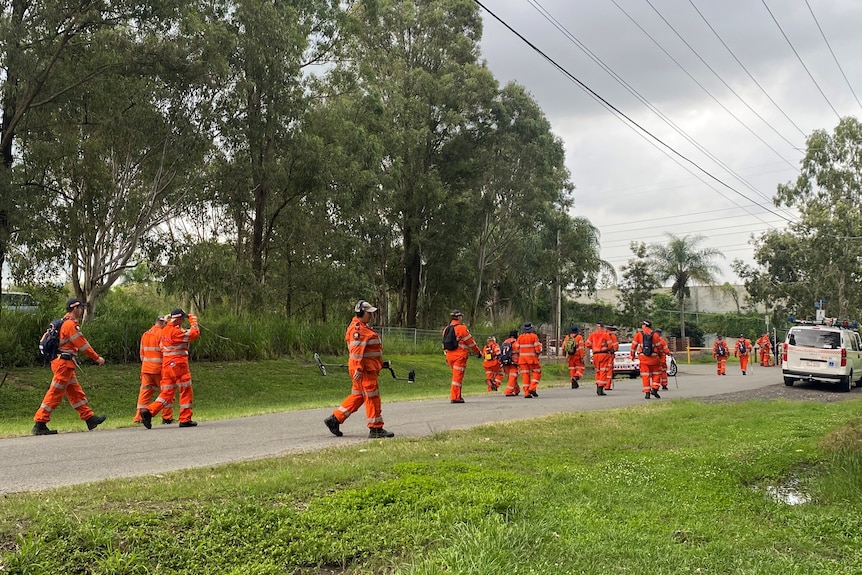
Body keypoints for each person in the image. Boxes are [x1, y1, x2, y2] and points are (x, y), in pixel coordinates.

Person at [32, 298, 107, 435]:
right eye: (81, 308)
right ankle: (40, 423)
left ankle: (89, 418)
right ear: (75, 308)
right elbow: (82, 345)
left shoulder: (63, 323)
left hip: (63, 363)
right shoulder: (70, 325)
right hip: (63, 364)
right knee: (54, 393)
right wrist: (97, 358)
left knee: (75, 392)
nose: (82, 310)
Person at [324, 300, 394, 438]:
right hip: (364, 371)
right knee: (372, 397)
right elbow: (356, 351)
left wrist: (379, 363)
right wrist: (358, 368)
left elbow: (367, 351)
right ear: (361, 312)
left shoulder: (361, 327)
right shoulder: (358, 330)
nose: (371, 316)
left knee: (358, 396)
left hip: (366, 369)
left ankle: (335, 419)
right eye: (369, 313)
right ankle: (375, 428)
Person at [139, 308, 200, 429]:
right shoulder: (175, 332)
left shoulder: (164, 331)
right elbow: (194, 334)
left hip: (166, 366)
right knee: (186, 390)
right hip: (179, 365)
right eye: (182, 318)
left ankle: (149, 411)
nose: (183, 320)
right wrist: (194, 322)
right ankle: (185, 419)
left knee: (166, 393)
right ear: (178, 319)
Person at [133, 315, 173, 425]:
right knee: (166, 393)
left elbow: (141, 354)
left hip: (146, 369)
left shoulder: (145, 334)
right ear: (164, 324)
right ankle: (167, 417)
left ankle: (138, 417)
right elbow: (165, 352)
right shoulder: (162, 334)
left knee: (144, 394)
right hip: (159, 370)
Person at [443, 309, 482, 403]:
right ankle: (455, 397)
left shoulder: (446, 329)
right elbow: (470, 342)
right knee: (457, 378)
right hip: (459, 357)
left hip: (449, 356)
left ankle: (458, 395)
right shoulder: (461, 328)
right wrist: (478, 352)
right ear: (459, 317)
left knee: (457, 376)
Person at [631, 319, 667, 399]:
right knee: (657, 374)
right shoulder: (655, 335)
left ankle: (647, 393)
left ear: (644, 325)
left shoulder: (639, 334)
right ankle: (654, 388)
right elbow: (660, 347)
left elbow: (633, 347)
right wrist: (661, 355)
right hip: (654, 359)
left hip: (643, 358)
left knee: (645, 376)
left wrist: (632, 355)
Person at [586, 322, 614, 395]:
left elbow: (587, 344)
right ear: (603, 327)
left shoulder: (592, 335)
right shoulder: (606, 335)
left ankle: (598, 385)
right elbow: (610, 346)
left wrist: (594, 347)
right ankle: (600, 388)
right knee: (603, 371)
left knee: (597, 371)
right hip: (604, 354)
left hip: (595, 355)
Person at [517, 322, 542, 398]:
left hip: (522, 360)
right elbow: (537, 349)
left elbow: (516, 348)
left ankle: (527, 393)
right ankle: (532, 388)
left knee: (525, 376)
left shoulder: (520, 337)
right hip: (532, 359)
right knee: (537, 372)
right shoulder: (534, 336)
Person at [501, 329, 521, 397]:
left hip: (504, 362)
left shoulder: (505, 342)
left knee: (511, 377)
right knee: (513, 376)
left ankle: (516, 390)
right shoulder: (515, 342)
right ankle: (508, 391)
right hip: (513, 362)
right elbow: (518, 351)